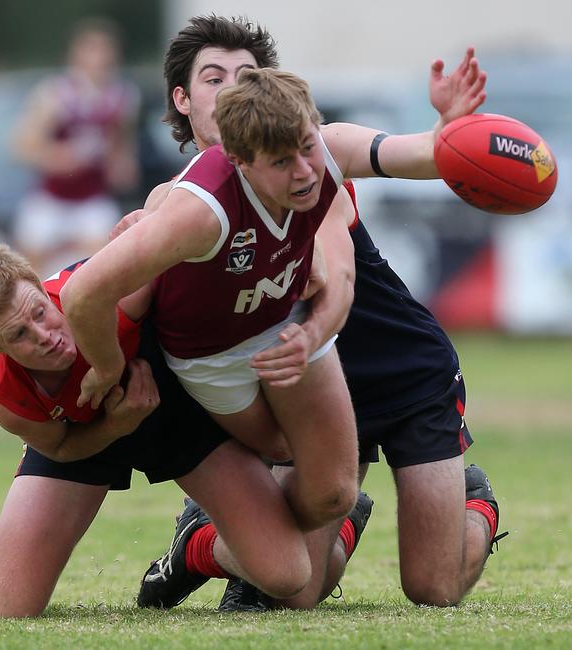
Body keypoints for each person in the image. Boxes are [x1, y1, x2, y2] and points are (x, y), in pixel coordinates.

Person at [110, 15, 506, 611]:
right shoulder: (180, 204)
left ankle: (472, 503)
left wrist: (449, 133)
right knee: (294, 589)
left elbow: (344, 255)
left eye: (247, 75)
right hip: (312, 390)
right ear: (183, 99)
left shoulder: (311, 163)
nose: (232, 89)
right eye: (214, 77)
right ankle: (228, 537)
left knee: (433, 587)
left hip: (399, 372)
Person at [0, 244, 372, 616]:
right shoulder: (8, 396)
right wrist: (117, 424)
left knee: (288, 575)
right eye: (19, 334)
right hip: (87, 440)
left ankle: (194, 544)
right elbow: (60, 448)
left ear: (42, 287)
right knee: (4, 609)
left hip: (175, 415)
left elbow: (184, 225)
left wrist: (151, 215)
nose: (45, 335)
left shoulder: (112, 293)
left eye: (40, 312)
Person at [12, 17, 140, 280]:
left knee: (102, 269)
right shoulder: (56, 94)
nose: (100, 58)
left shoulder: (122, 97)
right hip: (52, 198)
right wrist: (58, 157)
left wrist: (122, 167)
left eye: (106, 50)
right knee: (29, 271)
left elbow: (121, 150)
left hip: (92, 199)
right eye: (92, 49)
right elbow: (22, 146)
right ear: (76, 54)